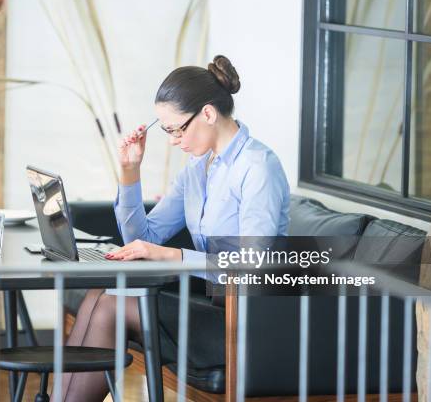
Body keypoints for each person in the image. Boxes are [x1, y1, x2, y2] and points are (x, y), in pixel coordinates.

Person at [53, 55, 290, 401]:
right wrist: (129, 171)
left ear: (207, 114)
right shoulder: (197, 169)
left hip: (246, 321)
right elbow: (142, 240)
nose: (173, 139)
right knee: (101, 296)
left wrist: (170, 255)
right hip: (210, 305)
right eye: (165, 130)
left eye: (176, 128)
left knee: (109, 305)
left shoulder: (258, 168)